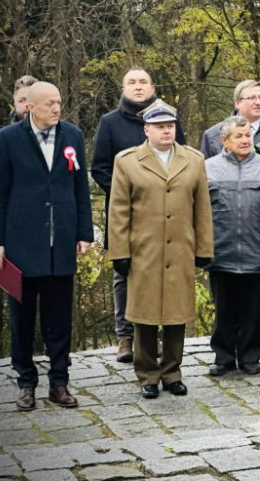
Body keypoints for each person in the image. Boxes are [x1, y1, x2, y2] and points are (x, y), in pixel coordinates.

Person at [0, 81, 93, 411]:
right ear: (30, 106)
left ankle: (59, 382)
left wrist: (84, 232)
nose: (56, 108)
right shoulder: (7, 139)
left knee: (60, 317)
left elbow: (80, 188)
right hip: (22, 243)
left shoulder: (72, 136)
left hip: (61, 241)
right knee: (22, 320)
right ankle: (26, 382)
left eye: (59, 102)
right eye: (49, 103)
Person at [109, 100, 213, 398]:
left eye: (170, 126)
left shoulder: (193, 160)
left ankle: (172, 372)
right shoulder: (127, 161)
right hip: (144, 249)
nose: (166, 131)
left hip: (181, 248)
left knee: (176, 314)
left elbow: (202, 209)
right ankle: (147, 375)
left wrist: (204, 247)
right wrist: (120, 252)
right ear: (146, 130)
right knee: (144, 315)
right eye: (159, 127)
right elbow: (118, 211)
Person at [92, 67, 186, 363]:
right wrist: (129, 194)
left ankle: (154, 337)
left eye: (143, 82)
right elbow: (100, 167)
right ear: (123, 88)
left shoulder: (169, 119)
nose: (137, 86)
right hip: (126, 212)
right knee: (124, 273)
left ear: (152, 87)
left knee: (164, 270)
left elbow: (181, 160)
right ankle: (125, 336)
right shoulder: (109, 123)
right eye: (131, 82)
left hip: (167, 212)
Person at [201, 79, 260, 353]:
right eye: (251, 97)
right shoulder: (212, 137)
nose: (258, 102)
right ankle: (225, 353)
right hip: (225, 236)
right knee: (227, 303)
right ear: (237, 103)